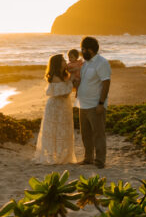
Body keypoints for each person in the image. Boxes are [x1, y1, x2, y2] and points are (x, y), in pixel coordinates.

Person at [34, 53, 77, 165]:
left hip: (63, 106)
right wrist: (72, 79)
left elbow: (69, 89)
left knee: (63, 130)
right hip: (56, 107)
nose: (65, 62)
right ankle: (55, 157)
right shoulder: (55, 77)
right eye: (63, 60)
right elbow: (64, 92)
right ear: (58, 64)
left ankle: (62, 156)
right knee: (55, 131)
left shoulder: (63, 75)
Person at [75, 36, 111, 168]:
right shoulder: (86, 63)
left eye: (83, 49)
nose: (82, 52)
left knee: (98, 133)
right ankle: (88, 158)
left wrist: (101, 103)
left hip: (95, 104)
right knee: (86, 134)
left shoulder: (102, 63)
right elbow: (84, 81)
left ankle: (100, 160)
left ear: (90, 49)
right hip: (83, 104)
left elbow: (106, 82)